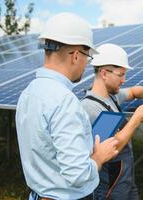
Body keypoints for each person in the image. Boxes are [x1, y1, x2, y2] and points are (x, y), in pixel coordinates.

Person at [15, 13, 119, 200]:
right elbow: (77, 174)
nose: (86, 65)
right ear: (76, 56)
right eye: (87, 57)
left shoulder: (28, 93)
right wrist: (99, 157)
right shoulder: (64, 101)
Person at [81, 43, 143, 200]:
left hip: (125, 178)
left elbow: (132, 92)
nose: (124, 80)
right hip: (110, 185)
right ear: (104, 73)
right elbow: (112, 147)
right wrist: (136, 119)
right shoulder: (92, 107)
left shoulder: (111, 96)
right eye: (121, 75)